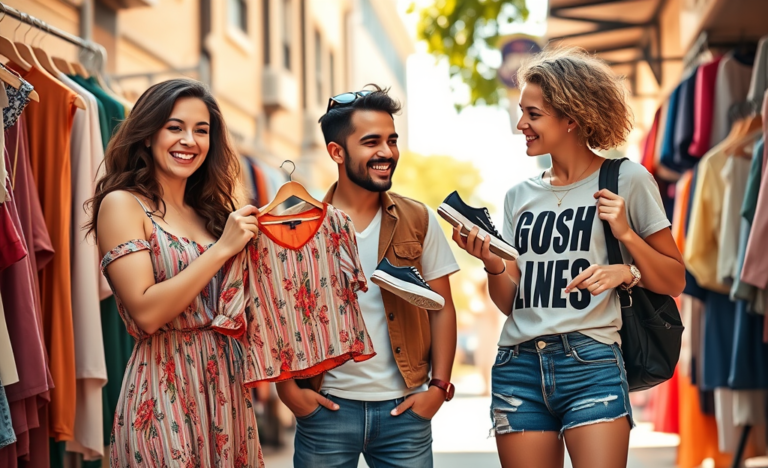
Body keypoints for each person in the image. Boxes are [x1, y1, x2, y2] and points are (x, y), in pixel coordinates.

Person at [452, 48, 686, 468]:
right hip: (516, 366)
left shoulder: (627, 179)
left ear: (571, 118)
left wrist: (626, 249)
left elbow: (674, 279)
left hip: (591, 360)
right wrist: (492, 264)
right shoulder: (518, 196)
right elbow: (512, 303)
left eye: (533, 113)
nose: (520, 124)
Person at [275, 85, 460, 468]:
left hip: (404, 412)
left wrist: (439, 388)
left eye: (392, 140)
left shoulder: (419, 220)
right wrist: (288, 391)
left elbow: (441, 308)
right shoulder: (297, 225)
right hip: (325, 410)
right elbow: (280, 315)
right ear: (337, 152)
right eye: (371, 141)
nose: (387, 152)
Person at [86, 79, 264, 467]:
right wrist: (222, 250)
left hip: (226, 391)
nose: (189, 140)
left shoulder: (213, 214)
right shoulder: (123, 205)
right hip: (164, 387)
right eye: (175, 127)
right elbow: (146, 313)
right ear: (148, 134)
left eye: (201, 130)